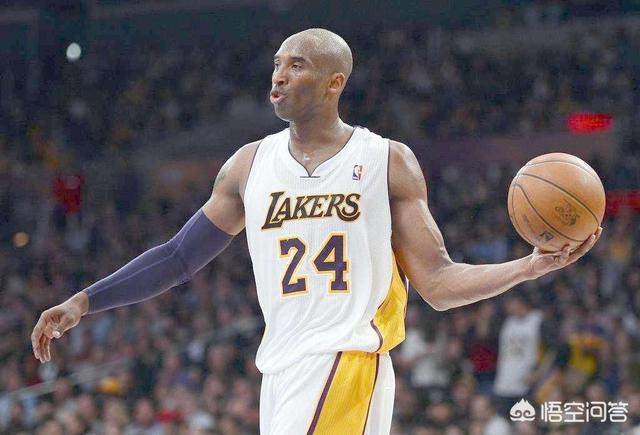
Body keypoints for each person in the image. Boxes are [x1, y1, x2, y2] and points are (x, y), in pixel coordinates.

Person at [31, 28, 602, 434]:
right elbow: (179, 258)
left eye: (297, 64)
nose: (279, 74)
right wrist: (86, 301)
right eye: (277, 64)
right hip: (280, 369)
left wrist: (530, 266)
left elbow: (437, 283)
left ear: (335, 82)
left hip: (346, 359)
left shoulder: (385, 161)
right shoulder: (248, 166)